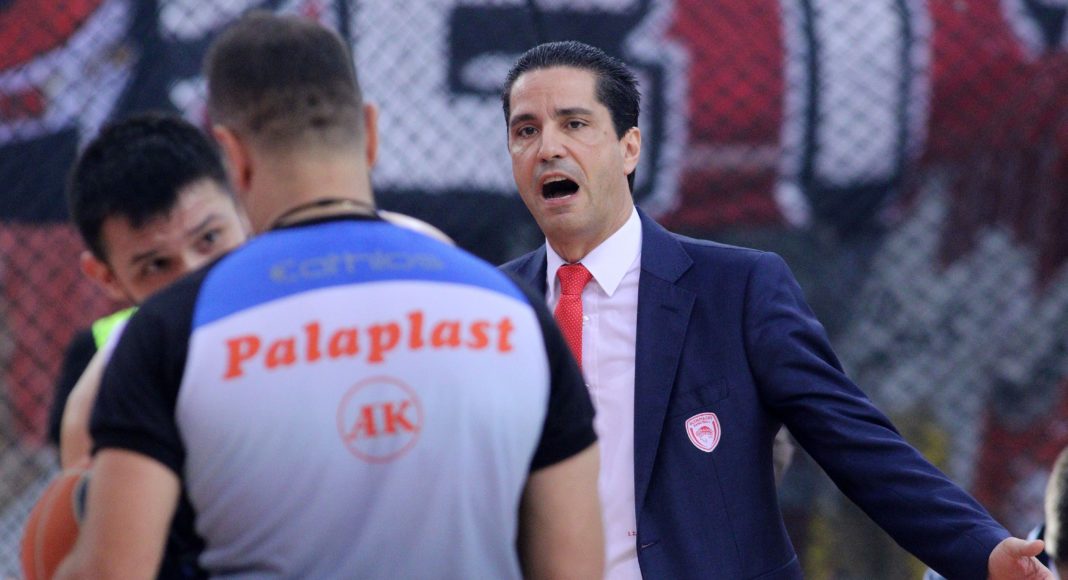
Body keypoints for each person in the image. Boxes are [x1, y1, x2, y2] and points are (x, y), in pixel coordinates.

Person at [56, 13, 602, 579]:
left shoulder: (171, 331)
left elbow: (113, 571)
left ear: (232, 158)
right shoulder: (514, 311)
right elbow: (576, 566)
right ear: (370, 132)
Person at [499, 40, 1049, 580]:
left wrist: (981, 551)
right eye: (526, 131)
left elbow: (854, 441)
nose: (547, 147)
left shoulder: (737, 289)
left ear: (630, 148)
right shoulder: (491, 307)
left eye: (574, 124)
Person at [55, 112, 251, 469]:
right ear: (107, 278)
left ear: (244, 206)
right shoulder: (94, 377)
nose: (194, 276)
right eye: (157, 265)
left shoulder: (314, 304)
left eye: (209, 238)